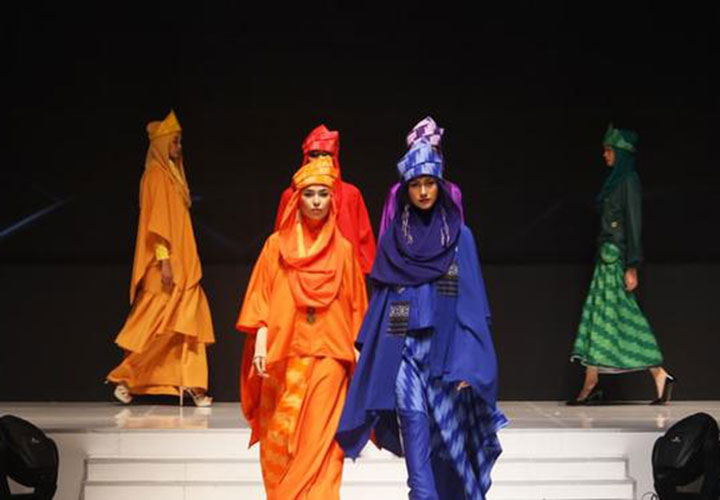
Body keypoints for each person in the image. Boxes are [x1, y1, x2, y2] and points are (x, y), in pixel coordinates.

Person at [337, 139, 507, 500]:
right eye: (416, 184)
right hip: (405, 350)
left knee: (448, 440)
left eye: (430, 183)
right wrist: (379, 353)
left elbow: (472, 302)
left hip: (447, 354)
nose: (424, 191)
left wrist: (471, 360)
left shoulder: (459, 237)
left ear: (440, 185)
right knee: (413, 423)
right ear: (405, 189)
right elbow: (388, 298)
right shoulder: (394, 239)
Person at [237, 156, 368, 499]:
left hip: (330, 354)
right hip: (284, 355)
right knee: (280, 439)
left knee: (321, 445)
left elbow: (356, 305)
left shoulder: (343, 251)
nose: (316, 202)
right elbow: (262, 298)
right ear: (297, 199)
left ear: (332, 200)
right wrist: (261, 342)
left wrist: (360, 355)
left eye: (323, 194)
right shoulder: (276, 247)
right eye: (309, 194)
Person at [107, 110, 214, 407]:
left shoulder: (172, 175)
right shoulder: (155, 176)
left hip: (185, 262)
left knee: (187, 324)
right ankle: (127, 378)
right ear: (162, 143)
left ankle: (192, 384)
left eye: (179, 141)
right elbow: (157, 222)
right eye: (175, 141)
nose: (179, 147)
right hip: (166, 265)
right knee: (160, 326)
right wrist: (164, 260)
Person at [568, 124, 674, 405]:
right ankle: (591, 380)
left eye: (609, 150)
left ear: (620, 152)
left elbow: (633, 223)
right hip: (605, 257)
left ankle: (658, 373)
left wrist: (632, 264)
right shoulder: (615, 181)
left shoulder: (629, 180)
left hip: (616, 257)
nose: (605, 155)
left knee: (623, 316)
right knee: (598, 316)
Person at [274, 124, 376, 274]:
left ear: (334, 157)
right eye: (314, 154)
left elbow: (364, 238)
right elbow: (280, 238)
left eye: (326, 154)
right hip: (299, 271)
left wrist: (361, 273)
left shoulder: (351, 194)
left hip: (343, 272)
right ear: (306, 157)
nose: (320, 160)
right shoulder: (291, 195)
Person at [378, 116, 464, 238]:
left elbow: (460, 234)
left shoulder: (452, 191)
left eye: (432, 151)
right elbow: (386, 234)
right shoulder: (397, 192)